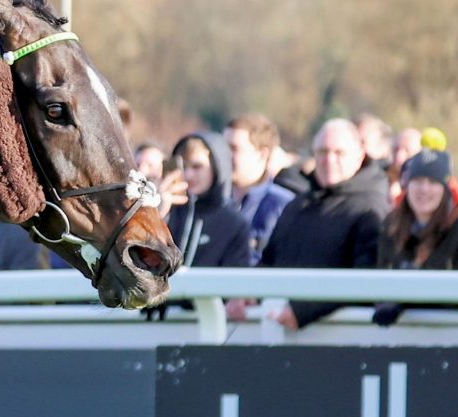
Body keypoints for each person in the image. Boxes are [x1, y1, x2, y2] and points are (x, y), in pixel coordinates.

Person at [257, 119, 390, 330]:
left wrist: (303, 311)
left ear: (360, 154)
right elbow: (269, 262)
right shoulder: (297, 206)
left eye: (339, 153)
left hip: (340, 340)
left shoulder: (371, 210)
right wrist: (247, 295)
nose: (329, 160)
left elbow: (365, 280)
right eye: (322, 151)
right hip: (280, 332)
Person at [373, 147, 458, 325]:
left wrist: (405, 300)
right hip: (399, 338)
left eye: (432, 182)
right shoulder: (392, 226)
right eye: (417, 181)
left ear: (446, 188)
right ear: (407, 185)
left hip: (455, 333)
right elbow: (379, 279)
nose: (424, 189)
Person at [164, 132, 251, 267]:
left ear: (217, 168)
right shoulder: (167, 212)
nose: (188, 175)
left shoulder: (234, 224)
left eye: (197, 166)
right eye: (184, 166)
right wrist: (158, 213)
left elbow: (236, 281)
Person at [225, 113, 297, 259]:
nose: (225, 155)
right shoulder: (215, 201)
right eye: (223, 147)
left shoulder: (283, 205)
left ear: (262, 154)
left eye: (234, 148)